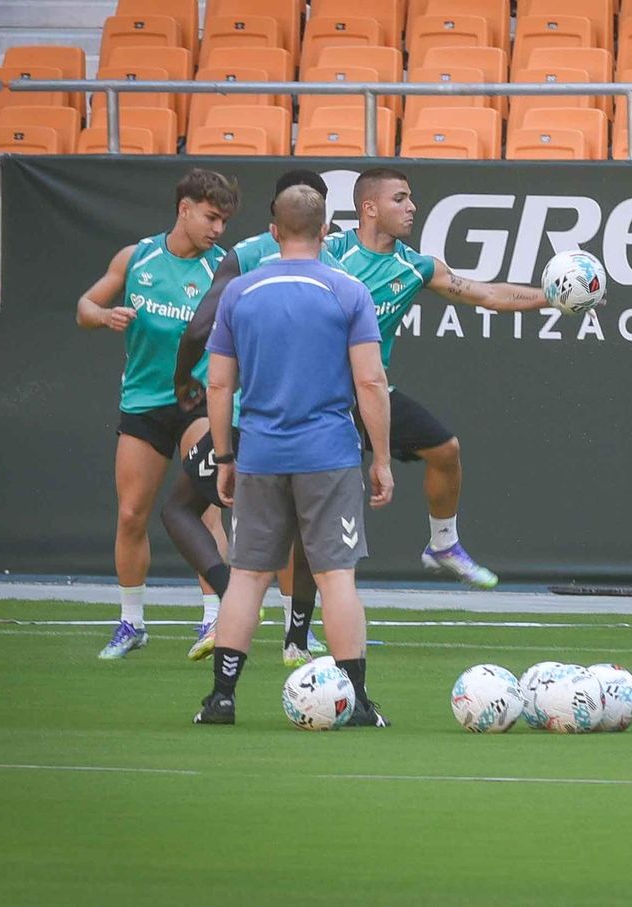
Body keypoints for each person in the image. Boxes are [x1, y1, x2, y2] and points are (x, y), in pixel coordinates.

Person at [193, 185, 395, 727]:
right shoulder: (348, 291)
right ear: (326, 231)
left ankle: (221, 699)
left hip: (260, 453)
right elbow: (371, 382)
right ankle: (357, 703)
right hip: (329, 454)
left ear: (274, 232)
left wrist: (225, 455)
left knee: (247, 577)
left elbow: (219, 385)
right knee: (336, 578)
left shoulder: (240, 292)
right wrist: (381, 458)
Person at [323, 167, 566, 590]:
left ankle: (443, 545)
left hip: (372, 393)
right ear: (369, 208)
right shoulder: (328, 252)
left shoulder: (415, 266)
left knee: (445, 449)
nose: (412, 207)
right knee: (318, 510)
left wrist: (552, 297)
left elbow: (487, 294)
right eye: (399, 198)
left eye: (410, 198)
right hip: (318, 397)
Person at [171, 169, 341, 666]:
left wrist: (183, 379)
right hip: (319, 429)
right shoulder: (336, 269)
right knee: (307, 535)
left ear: (275, 218)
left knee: (179, 509)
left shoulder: (246, 256)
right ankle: (297, 639)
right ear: (322, 221)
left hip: (253, 424)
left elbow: (200, 328)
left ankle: (230, 600)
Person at [75, 168, 239, 660]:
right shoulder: (137, 256)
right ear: (184, 209)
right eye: (211, 217)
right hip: (143, 403)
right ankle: (131, 623)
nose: (218, 229)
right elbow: (85, 307)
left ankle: (214, 619)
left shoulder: (225, 269)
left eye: (224, 220)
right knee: (131, 514)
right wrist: (104, 316)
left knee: (205, 509)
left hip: (198, 403)